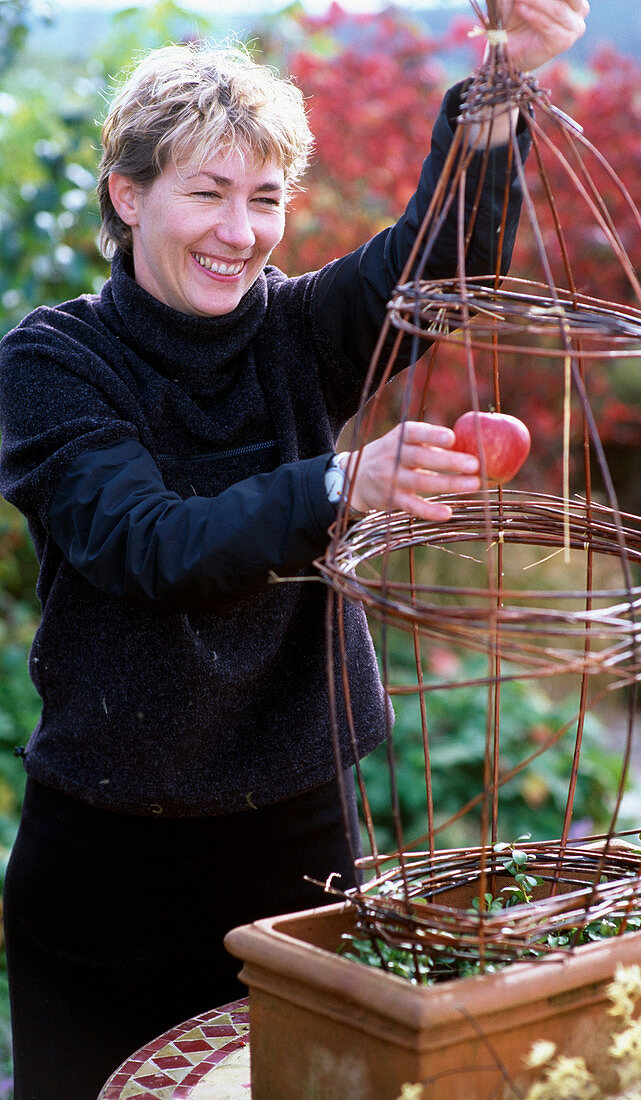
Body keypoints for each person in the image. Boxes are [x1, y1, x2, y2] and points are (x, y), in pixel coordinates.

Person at [0, 1, 588, 1095]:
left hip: (298, 832)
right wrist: (338, 479)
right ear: (128, 197)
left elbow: (439, 262)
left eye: (265, 197)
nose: (241, 229)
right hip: (112, 852)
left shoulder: (301, 329)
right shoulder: (52, 360)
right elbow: (146, 543)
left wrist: (501, 87)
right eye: (208, 192)